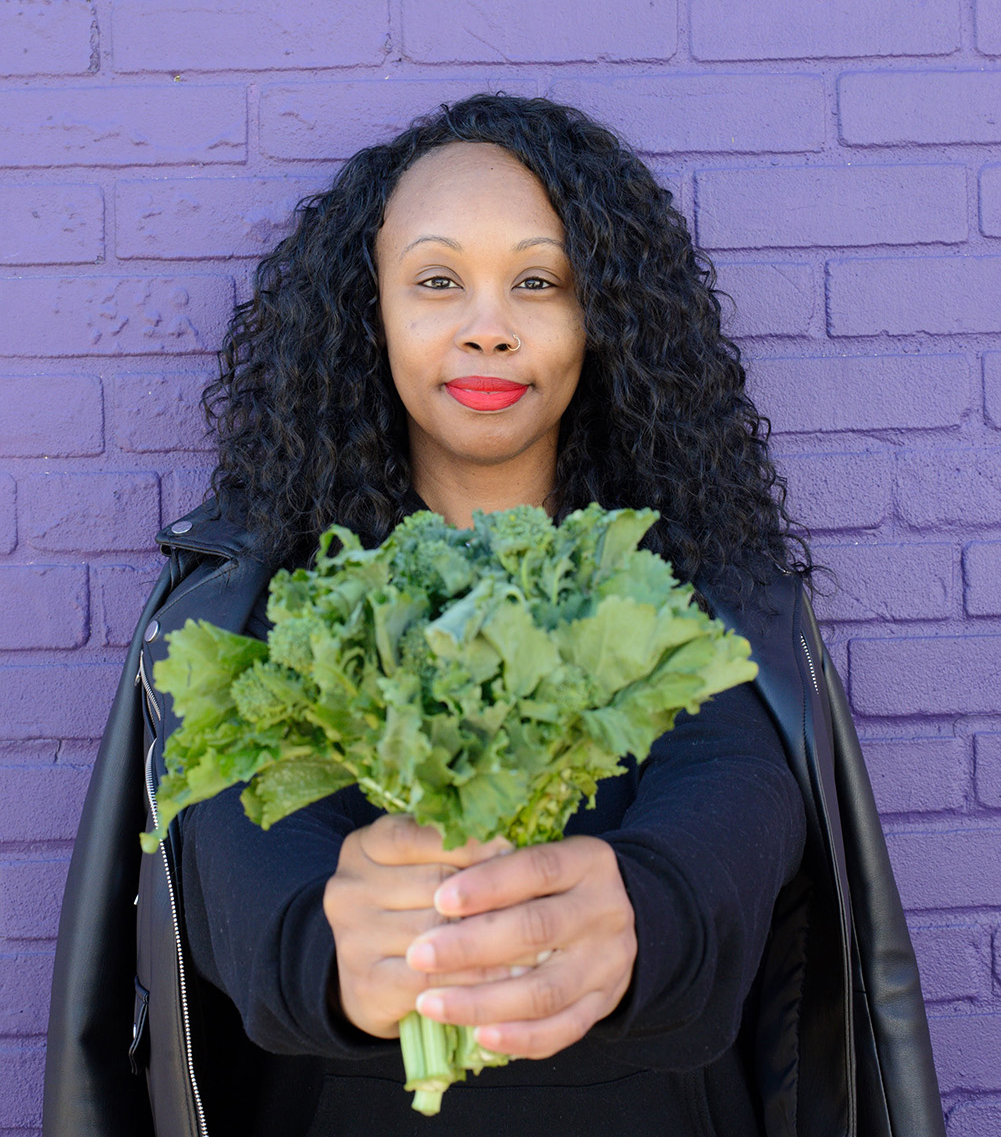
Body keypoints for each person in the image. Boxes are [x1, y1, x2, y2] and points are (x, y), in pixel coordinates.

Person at [43, 93, 944, 1137]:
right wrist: (335, 945)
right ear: (368, 313)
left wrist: (637, 915)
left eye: (536, 281)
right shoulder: (250, 605)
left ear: (597, 318)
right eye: (435, 281)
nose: (486, 326)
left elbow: (733, 810)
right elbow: (237, 871)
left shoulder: (698, 595)